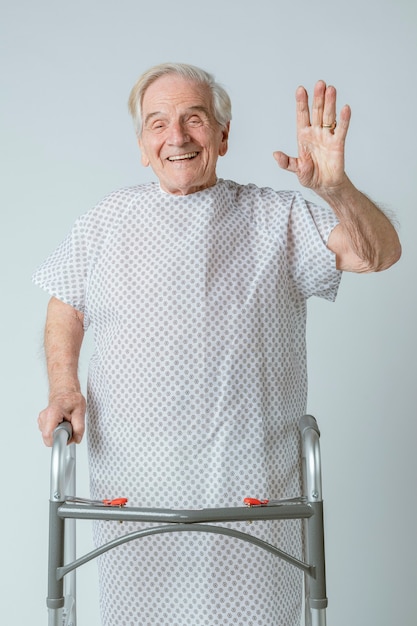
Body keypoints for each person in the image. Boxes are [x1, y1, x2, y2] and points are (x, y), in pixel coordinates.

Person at [34, 63, 401, 626]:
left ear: (223, 136)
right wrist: (63, 386)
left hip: (250, 487)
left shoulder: (276, 215)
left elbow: (377, 255)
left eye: (194, 119)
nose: (176, 137)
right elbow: (66, 302)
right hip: (135, 489)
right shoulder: (105, 222)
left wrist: (336, 190)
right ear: (141, 146)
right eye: (157, 124)